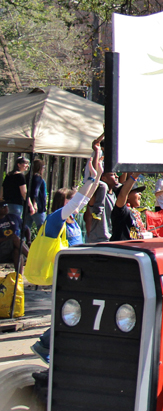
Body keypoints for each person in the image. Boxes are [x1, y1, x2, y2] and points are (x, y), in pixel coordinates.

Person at [30, 141, 102, 362]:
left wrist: (96, 174)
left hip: (74, 272)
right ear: (62, 203)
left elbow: (84, 198)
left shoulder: (72, 221)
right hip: (63, 274)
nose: (76, 203)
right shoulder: (55, 220)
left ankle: (49, 344)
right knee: (71, 310)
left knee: (73, 310)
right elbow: (79, 199)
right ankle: (45, 345)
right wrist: (90, 179)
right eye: (71, 199)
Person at [110, 173, 147, 241]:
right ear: (128, 196)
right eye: (137, 191)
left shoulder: (134, 212)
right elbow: (122, 195)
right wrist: (134, 176)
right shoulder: (122, 211)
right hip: (121, 249)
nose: (140, 193)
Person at [2, 156, 35, 220]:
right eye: (26, 163)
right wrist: (31, 206)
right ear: (18, 165)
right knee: (15, 224)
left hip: (6, 205)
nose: (27, 166)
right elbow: (24, 193)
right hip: (16, 205)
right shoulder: (20, 176)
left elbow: (2, 189)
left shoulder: (8, 176)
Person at [0, 201, 26, 269]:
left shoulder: (13, 217)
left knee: (17, 251)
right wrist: (8, 239)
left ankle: (18, 277)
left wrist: (28, 240)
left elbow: (26, 229)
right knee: (14, 237)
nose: (6, 208)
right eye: (3, 207)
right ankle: (31, 257)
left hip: (13, 246)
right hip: (2, 248)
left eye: (6, 206)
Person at [28, 158, 47, 232]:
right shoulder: (38, 178)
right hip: (38, 207)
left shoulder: (28, 177)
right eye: (43, 167)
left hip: (28, 206)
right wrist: (34, 204)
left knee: (26, 227)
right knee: (42, 227)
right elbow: (36, 191)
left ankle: (24, 242)